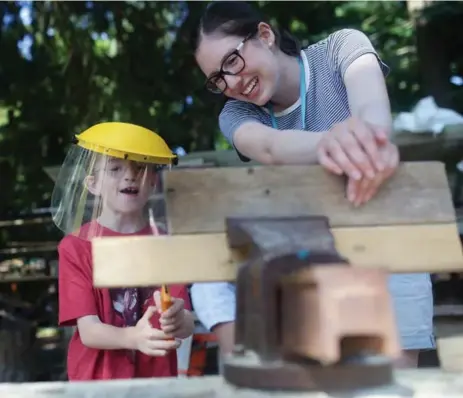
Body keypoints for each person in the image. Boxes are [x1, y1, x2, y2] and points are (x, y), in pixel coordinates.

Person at [191, 1, 434, 368]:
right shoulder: (235, 114)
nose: (232, 83)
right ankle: (250, 375)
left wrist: (370, 139)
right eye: (217, 79)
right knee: (209, 277)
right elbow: (271, 148)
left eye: (232, 61)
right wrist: (332, 142)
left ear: (265, 34)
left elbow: (374, 117)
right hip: (312, 256)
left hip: (384, 233)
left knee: (392, 383)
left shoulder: (342, 48)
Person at [51, 122, 195, 380]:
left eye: (140, 168)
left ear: (153, 181)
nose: (129, 176)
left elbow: (185, 322)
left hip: (157, 382)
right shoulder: (76, 247)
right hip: (98, 383)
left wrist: (178, 320)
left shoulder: (166, 244)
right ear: (92, 184)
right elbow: (89, 331)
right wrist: (133, 337)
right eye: (115, 168)